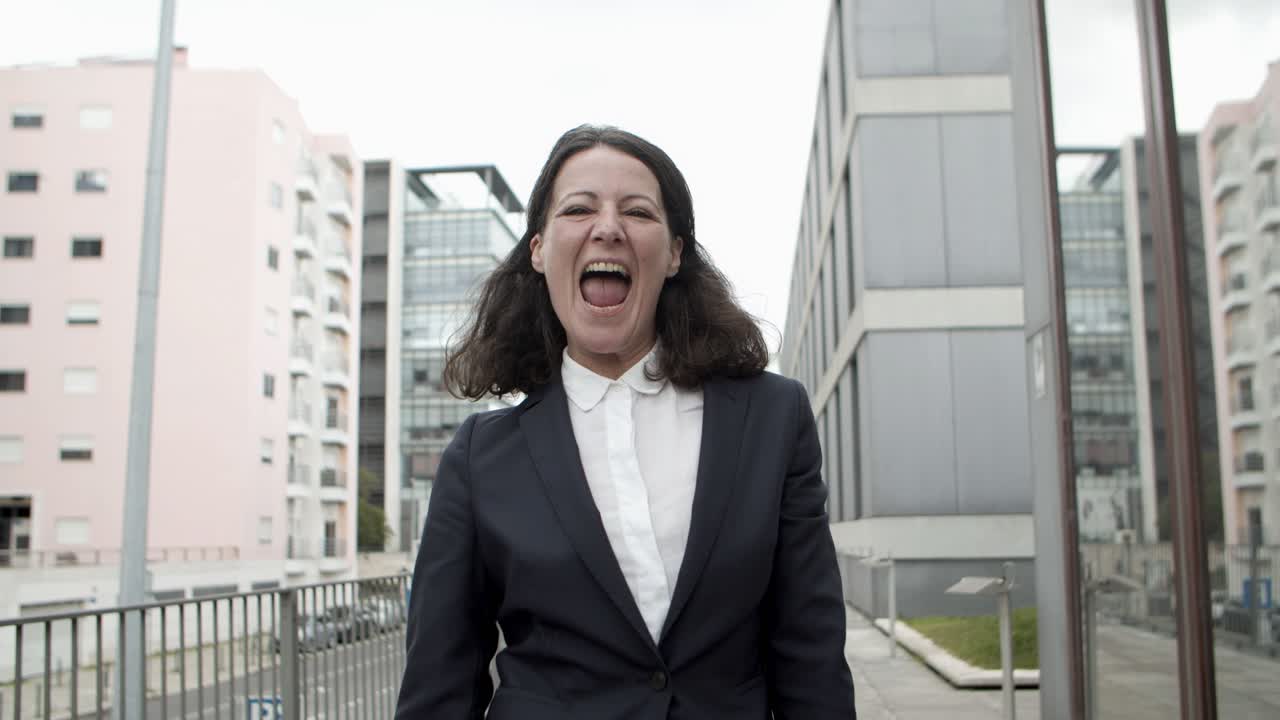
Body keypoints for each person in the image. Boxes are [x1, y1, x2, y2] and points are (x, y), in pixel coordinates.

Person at [393, 125, 856, 719]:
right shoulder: (479, 458)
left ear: (673, 253)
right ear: (538, 250)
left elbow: (811, 658)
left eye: (637, 211)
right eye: (579, 208)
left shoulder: (773, 420)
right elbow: (439, 689)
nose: (606, 227)